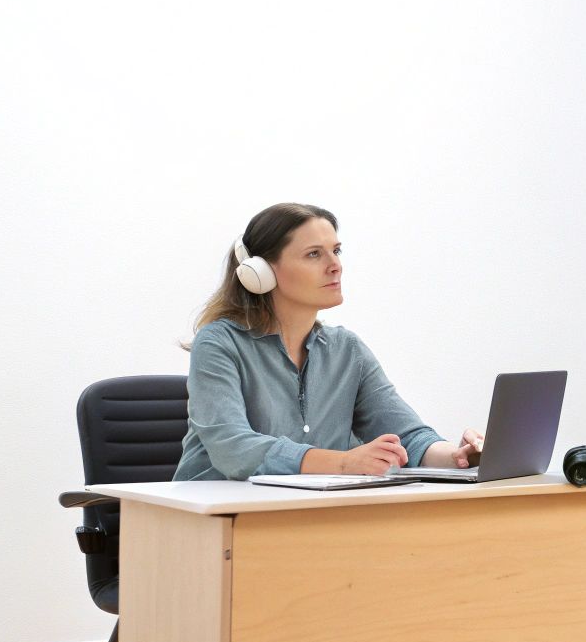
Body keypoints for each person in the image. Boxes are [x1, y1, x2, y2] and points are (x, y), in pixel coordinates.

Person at [173, 203, 484, 480]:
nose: (335, 265)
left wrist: (457, 456)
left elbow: (408, 436)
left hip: (307, 514)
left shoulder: (347, 350)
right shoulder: (219, 343)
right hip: (211, 520)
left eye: (336, 250)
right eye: (313, 254)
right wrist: (345, 463)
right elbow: (234, 450)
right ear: (261, 271)